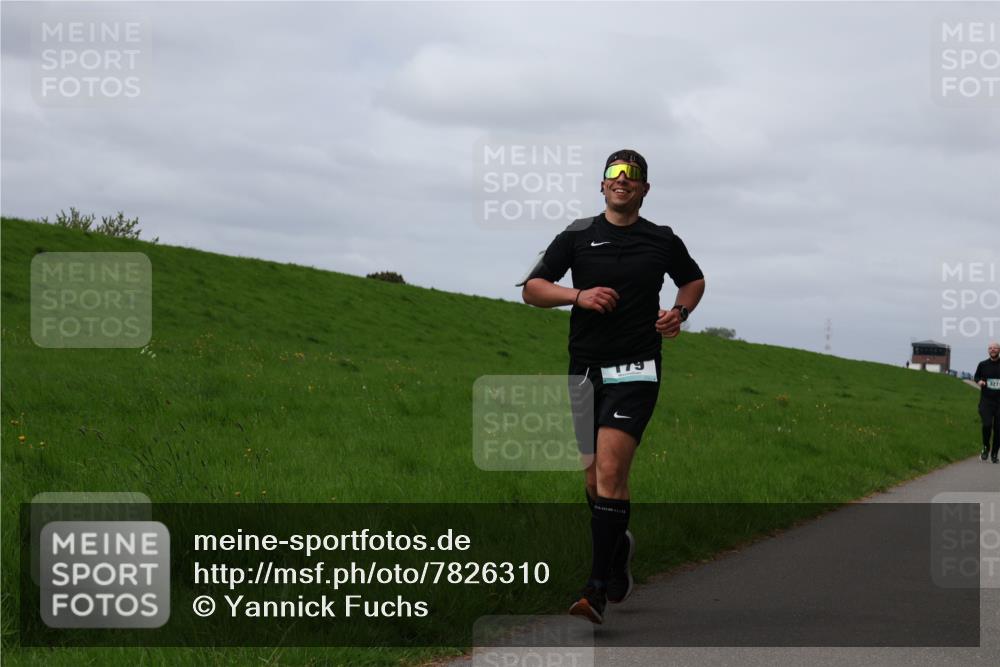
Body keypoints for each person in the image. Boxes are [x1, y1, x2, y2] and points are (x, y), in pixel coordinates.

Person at [519, 149, 706, 623]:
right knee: (591, 478)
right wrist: (577, 295)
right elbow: (533, 288)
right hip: (584, 369)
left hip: (637, 368)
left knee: (609, 473)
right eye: (614, 174)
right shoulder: (577, 235)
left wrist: (679, 313)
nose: (622, 180)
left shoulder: (661, 240)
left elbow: (693, 280)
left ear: (644, 188)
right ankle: (617, 547)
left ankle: (594, 589)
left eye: (633, 175)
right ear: (602, 185)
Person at [974, 341, 1000, 463]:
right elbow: (976, 377)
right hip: (986, 401)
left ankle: (994, 453)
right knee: (987, 425)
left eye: (995, 348)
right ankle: (985, 448)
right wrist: (979, 381)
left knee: (998, 429)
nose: (993, 350)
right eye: (990, 348)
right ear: (988, 350)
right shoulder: (982, 365)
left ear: (999, 350)